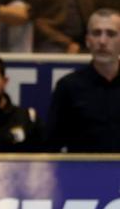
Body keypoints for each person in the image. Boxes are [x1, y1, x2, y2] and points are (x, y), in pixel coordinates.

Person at [45, 8, 120, 153]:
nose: (102, 41)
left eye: (111, 34)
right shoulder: (68, 86)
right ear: (87, 40)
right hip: (82, 173)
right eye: (96, 33)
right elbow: (52, 144)